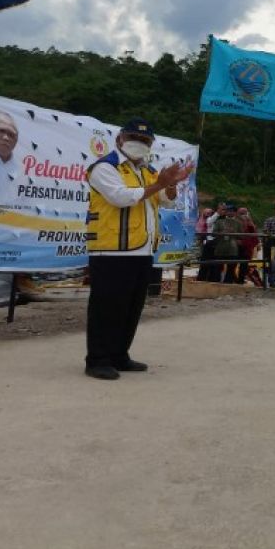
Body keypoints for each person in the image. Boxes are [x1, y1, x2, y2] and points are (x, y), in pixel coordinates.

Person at [83, 118, 192, 380]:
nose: (139, 144)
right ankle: (97, 359)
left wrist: (171, 183)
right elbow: (121, 197)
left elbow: (165, 200)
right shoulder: (105, 167)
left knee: (131, 307)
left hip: (142, 249)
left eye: (145, 140)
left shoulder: (147, 170)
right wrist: (158, 183)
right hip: (112, 250)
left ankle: (120, 355)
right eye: (134, 138)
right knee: (106, 306)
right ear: (120, 139)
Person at [212, 205, 243, 283]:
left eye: (232, 211)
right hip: (220, 248)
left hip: (233, 249)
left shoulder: (239, 223)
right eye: (228, 211)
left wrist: (234, 233)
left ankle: (228, 284)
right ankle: (216, 284)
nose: (230, 212)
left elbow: (242, 236)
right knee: (217, 268)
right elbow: (213, 234)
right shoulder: (219, 222)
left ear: (235, 213)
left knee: (231, 268)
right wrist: (222, 233)